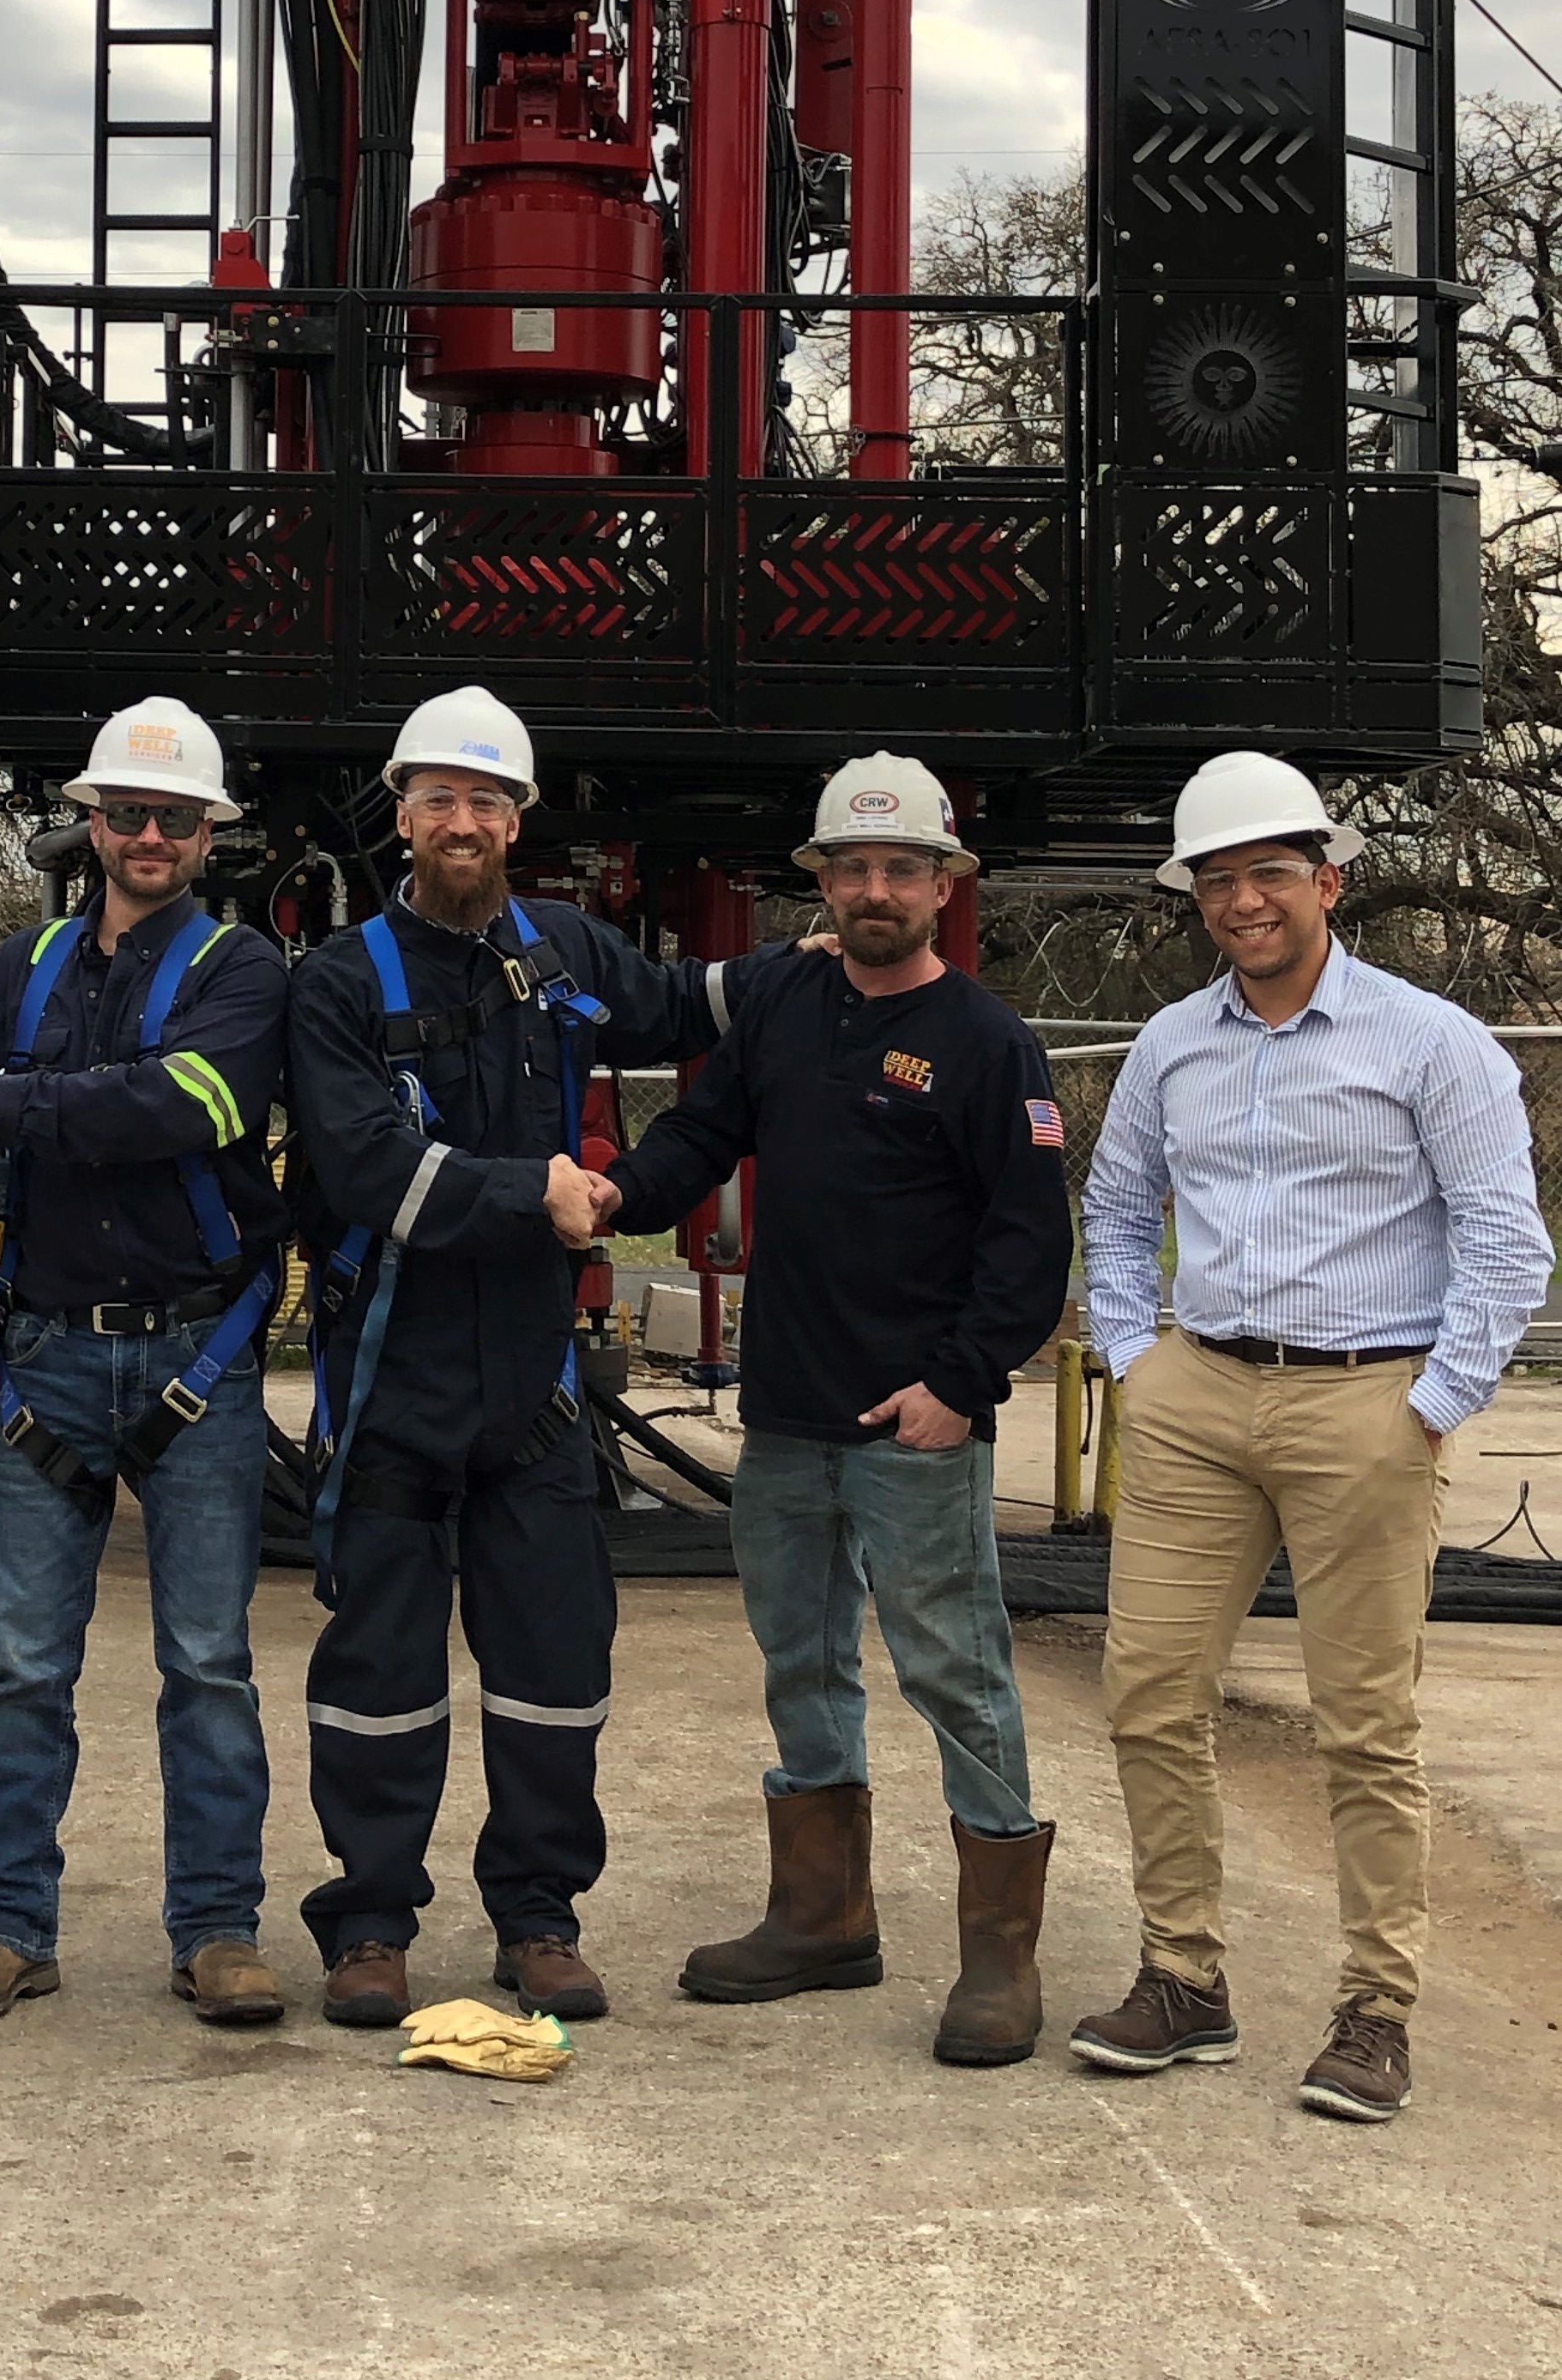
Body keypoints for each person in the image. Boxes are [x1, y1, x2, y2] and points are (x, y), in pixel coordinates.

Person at [284, 686, 787, 2032]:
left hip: (534, 1388)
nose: (463, 821)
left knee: (556, 1669)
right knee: (380, 1677)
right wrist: (539, 1193)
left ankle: (539, 1919)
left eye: (486, 801)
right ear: (403, 816)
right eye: (439, 799)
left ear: (518, 821)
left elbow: (685, 1003)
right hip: (392, 1380)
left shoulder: (563, 947)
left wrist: (824, 957)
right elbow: (368, 1168)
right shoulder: (339, 982)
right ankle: (370, 1923)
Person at [1069, 751, 1552, 2124]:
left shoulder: (1430, 1042)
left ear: (1328, 881)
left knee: (1364, 1725)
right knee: (1150, 1694)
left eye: (1270, 873)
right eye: (1217, 881)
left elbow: (1505, 1242)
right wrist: (1138, 1358)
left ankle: (1375, 2011)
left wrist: (1432, 1405)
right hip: (1199, 1400)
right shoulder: (1173, 1046)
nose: (1245, 901)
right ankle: (1184, 1980)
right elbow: (1117, 1210)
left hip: (1368, 1400)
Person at [592, 752, 1075, 2067]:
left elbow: (1030, 1243)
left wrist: (959, 1386)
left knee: (954, 1668)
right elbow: (702, 1137)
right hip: (789, 1415)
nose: (875, 890)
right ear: (822, 881)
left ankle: (999, 1957)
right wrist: (616, 1193)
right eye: (851, 868)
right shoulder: (786, 1009)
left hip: (915, 1421)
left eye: (900, 869)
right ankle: (822, 1917)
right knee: (800, 1657)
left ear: (943, 884)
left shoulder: (987, 1043)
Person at [0, 697, 292, 2027]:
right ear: (92, 823)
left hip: (198, 1356)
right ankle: (5, 1928)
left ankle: (219, 1932)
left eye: (174, 818)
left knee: (209, 1663)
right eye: (128, 813)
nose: (149, 835)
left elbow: (183, 1105)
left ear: (207, 835)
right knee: (23, 1666)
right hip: (43, 1358)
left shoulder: (246, 972)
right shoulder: (19, 973)